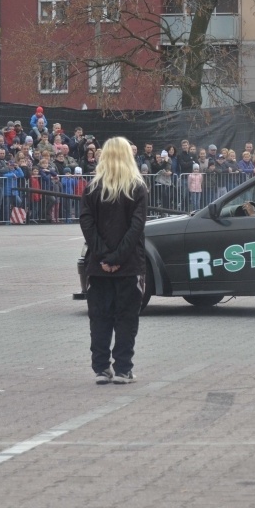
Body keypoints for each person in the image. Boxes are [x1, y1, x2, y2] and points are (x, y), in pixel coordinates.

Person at [79, 136, 147, 385]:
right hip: (129, 265)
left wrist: (102, 256)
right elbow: (136, 227)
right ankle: (122, 369)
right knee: (126, 318)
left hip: (97, 266)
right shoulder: (137, 188)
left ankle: (100, 367)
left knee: (100, 317)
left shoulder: (92, 188)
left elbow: (87, 223)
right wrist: (118, 257)